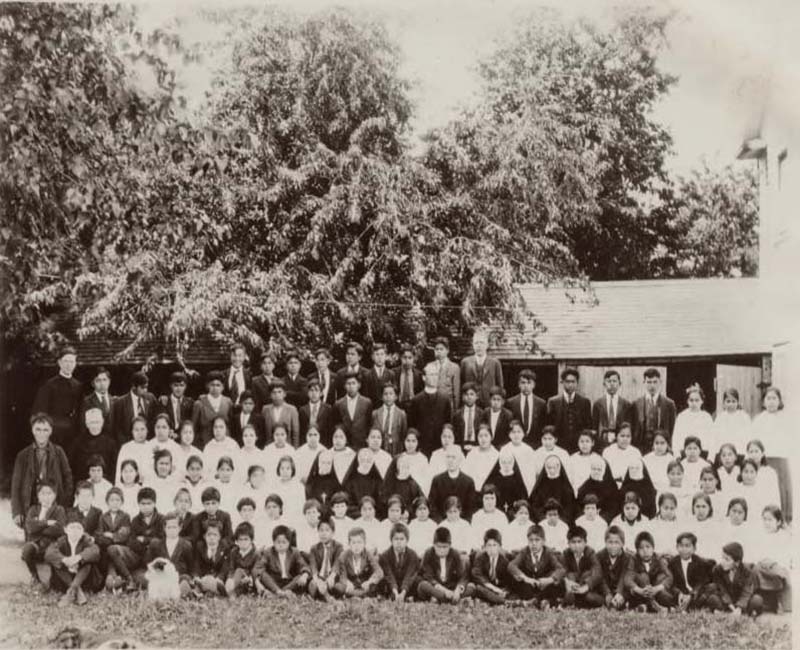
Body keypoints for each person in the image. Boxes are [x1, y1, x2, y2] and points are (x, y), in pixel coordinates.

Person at [12, 413, 73, 527]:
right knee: (33, 539)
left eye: (45, 430)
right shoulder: (23, 455)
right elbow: (16, 485)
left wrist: (65, 505)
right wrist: (17, 511)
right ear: (32, 430)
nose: (41, 433)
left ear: (51, 431)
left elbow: (68, 478)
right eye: (38, 429)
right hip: (31, 505)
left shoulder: (59, 452)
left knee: (53, 537)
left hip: (54, 504)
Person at [106, 487, 164, 591]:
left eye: (149, 503)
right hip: (137, 556)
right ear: (138, 504)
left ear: (154, 503)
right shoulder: (135, 520)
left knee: (145, 580)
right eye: (143, 504)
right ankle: (128, 578)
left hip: (152, 560)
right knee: (112, 549)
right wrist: (141, 544)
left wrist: (145, 540)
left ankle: (132, 579)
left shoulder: (161, 519)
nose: (146, 507)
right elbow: (131, 542)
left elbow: (162, 540)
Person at [44, 514, 102, 606]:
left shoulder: (85, 540)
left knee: (88, 563)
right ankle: (77, 590)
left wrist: (78, 558)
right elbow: (49, 553)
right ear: (65, 530)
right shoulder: (61, 541)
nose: (75, 531)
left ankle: (70, 592)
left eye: (78, 528)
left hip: (84, 579)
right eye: (72, 527)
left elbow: (95, 551)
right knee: (57, 563)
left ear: (83, 531)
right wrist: (65, 560)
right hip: (64, 579)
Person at [751, 387, 791, 518]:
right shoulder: (759, 420)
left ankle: (784, 516)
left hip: (781, 457)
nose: (771, 402)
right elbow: (754, 440)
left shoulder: (786, 418)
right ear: (763, 402)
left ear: (779, 401)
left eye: (774, 398)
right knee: (766, 485)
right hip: (765, 458)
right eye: (768, 398)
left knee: (782, 486)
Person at [32, 347, 82, 449]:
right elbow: (41, 410)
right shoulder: (50, 385)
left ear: (75, 364)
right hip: (54, 432)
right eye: (66, 361)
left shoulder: (78, 385)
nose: (69, 365)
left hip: (72, 433)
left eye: (72, 361)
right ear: (59, 362)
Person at [21, 481, 66, 588]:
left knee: (52, 553)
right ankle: (35, 576)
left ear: (54, 496)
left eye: (49, 493)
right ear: (38, 496)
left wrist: (38, 527)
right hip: (36, 544)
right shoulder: (33, 509)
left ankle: (53, 579)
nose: (46, 497)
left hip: (51, 544)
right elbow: (29, 528)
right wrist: (47, 523)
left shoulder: (59, 510)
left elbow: (59, 529)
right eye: (43, 494)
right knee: (27, 549)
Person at [508, 523, 564, 608]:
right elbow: (511, 565)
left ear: (543, 541)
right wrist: (526, 578)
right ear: (528, 541)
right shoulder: (525, 551)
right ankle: (541, 601)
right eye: (531, 540)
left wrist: (549, 579)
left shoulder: (548, 552)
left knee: (558, 582)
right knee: (516, 580)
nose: (534, 543)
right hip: (530, 584)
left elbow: (561, 569)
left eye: (537, 540)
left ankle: (535, 601)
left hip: (543, 584)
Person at [752, 505, 793, 613]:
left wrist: (773, 563)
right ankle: (758, 601)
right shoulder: (760, 535)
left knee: (777, 573)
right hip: (762, 566)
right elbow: (755, 553)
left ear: (778, 522)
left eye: (770, 520)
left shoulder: (784, 536)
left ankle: (778, 601)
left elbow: (786, 556)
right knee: (755, 570)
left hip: (777, 565)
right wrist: (762, 561)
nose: (766, 523)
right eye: (764, 519)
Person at [417, 526, 473, 603]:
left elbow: (462, 576)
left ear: (450, 545)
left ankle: (441, 599)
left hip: (451, 586)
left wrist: (458, 590)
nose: (442, 550)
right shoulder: (428, 553)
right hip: (436, 586)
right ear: (434, 545)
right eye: (439, 547)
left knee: (471, 586)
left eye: (445, 547)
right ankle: (451, 599)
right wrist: (444, 591)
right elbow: (428, 577)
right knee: (422, 585)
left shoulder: (455, 554)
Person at [146, 512, 195, 599]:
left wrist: (191, 577)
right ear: (164, 528)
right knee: (151, 581)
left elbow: (191, 566)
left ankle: (183, 592)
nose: (172, 530)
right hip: (162, 578)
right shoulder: (156, 544)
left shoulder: (186, 545)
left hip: (179, 577)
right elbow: (149, 563)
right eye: (169, 527)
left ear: (180, 528)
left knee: (185, 579)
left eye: (174, 527)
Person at [408, 363, 453, 456]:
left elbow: (448, 422)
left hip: (440, 446)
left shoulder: (445, 399)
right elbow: (412, 424)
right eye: (431, 375)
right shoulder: (416, 400)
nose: (434, 377)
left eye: (436, 375)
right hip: (422, 446)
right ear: (424, 377)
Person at [624, 530, 674, 612]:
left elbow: (669, 576)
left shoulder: (657, 559)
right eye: (641, 548)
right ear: (637, 550)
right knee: (643, 576)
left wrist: (656, 588)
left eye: (648, 547)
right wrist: (639, 590)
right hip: (641, 592)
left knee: (663, 589)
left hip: (655, 590)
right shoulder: (634, 559)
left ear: (653, 548)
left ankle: (648, 607)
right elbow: (627, 578)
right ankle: (654, 605)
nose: (645, 551)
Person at [667, 531, 718, 612]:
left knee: (710, 589)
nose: (684, 549)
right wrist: (679, 594)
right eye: (681, 546)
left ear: (694, 549)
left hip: (695, 592)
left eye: (687, 546)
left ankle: (693, 607)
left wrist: (692, 594)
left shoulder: (699, 562)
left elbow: (701, 581)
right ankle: (681, 607)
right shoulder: (673, 563)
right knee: (667, 592)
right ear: (677, 547)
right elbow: (672, 583)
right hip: (681, 593)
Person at [546, 368, 592, 454]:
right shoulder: (553, 402)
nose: (570, 384)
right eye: (567, 382)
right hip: (559, 445)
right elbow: (550, 425)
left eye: (573, 382)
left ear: (577, 383)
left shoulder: (585, 402)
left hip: (579, 446)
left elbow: (588, 426)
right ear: (562, 382)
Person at [713, 541, 763, 617]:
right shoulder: (718, 569)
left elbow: (747, 591)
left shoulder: (747, 571)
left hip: (742, 599)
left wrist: (739, 608)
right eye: (722, 557)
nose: (723, 562)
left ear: (737, 562)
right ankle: (727, 610)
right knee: (712, 598)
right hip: (727, 599)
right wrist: (730, 605)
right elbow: (722, 589)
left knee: (757, 600)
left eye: (727, 559)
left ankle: (744, 611)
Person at [632, 368, 676, 452]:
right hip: (641, 447)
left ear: (660, 382)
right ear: (644, 383)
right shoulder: (636, 404)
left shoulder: (669, 404)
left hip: (661, 446)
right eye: (649, 382)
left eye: (655, 382)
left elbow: (672, 428)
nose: (652, 386)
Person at [332, 527, 383, 598]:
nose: (357, 546)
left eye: (359, 542)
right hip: (351, 584)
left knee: (374, 586)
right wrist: (347, 583)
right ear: (349, 544)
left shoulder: (368, 554)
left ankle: (355, 595)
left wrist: (369, 582)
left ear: (364, 543)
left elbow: (379, 571)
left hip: (364, 584)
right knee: (338, 587)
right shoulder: (344, 555)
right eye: (353, 542)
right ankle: (358, 595)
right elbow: (342, 574)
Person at [428, 448, 477, 522]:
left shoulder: (468, 481)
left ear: (460, 460)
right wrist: (440, 522)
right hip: (441, 523)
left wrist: (463, 523)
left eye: (454, 457)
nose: (450, 460)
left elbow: (470, 508)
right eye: (448, 457)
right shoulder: (437, 480)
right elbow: (432, 504)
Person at [561, 525, 604, 608]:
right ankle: (572, 600)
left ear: (585, 542)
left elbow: (598, 572)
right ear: (568, 544)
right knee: (570, 575)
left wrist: (586, 586)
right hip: (572, 587)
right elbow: (562, 571)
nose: (577, 545)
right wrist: (567, 582)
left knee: (590, 597)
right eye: (573, 542)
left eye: (579, 541)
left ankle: (576, 602)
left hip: (587, 588)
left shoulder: (590, 552)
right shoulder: (566, 554)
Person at [110, 371, 157, 446]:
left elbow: (155, 420)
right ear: (134, 386)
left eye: (146, 387)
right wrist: (125, 445)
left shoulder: (151, 398)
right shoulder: (120, 403)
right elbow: (117, 429)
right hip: (128, 443)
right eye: (142, 388)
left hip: (148, 443)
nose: (145, 390)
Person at [460, 330, 503, 408]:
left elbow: (500, 386)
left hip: (489, 403)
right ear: (473, 345)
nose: (479, 345)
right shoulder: (465, 362)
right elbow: (462, 385)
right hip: (471, 403)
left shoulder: (495, 363)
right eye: (476, 343)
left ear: (487, 345)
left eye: (481, 343)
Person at [379, 522, 421, 602]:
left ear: (407, 540)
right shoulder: (385, 555)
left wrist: (403, 592)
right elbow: (389, 575)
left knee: (418, 579)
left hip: (407, 584)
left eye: (402, 539)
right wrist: (395, 591)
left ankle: (407, 596)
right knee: (382, 579)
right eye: (396, 539)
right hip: (392, 584)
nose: (399, 542)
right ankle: (391, 595)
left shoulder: (412, 555)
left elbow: (410, 574)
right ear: (391, 540)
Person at [95, 488, 131, 581]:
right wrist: (112, 536)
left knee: (112, 551)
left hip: (120, 548)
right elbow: (99, 534)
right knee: (107, 551)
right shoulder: (103, 517)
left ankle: (112, 577)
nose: (115, 503)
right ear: (107, 502)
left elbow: (124, 534)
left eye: (117, 500)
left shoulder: (125, 516)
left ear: (122, 502)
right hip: (106, 548)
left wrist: (111, 535)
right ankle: (113, 578)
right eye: (112, 500)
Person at [708, 388, 752, 461]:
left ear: (738, 402)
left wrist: (747, 455)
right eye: (728, 401)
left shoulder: (744, 417)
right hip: (724, 454)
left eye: (733, 401)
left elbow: (749, 436)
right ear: (724, 403)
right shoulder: (720, 418)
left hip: (740, 453)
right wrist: (711, 456)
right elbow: (714, 438)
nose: (731, 404)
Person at [333, 372, 373, 450]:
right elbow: (337, 424)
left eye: (353, 383)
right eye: (348, 383)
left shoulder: (367, 402)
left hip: (362, 444)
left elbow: (369, 424)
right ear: (344, 386)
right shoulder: (338, 404)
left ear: (359, 385)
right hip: (345, 445)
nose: (351, 386)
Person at [470, 528, 511, 605]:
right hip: (486, 587)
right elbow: (477, 575)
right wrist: (494, 589)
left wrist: (504, 591)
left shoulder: (504, 561)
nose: (491, 549)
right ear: (484, 547)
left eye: (494, 545)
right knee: (478, 588)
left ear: (500, 547)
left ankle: (494, 600)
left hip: (499, 588)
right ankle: (505, 602)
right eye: (489, 545)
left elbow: (508, 580)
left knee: (509, 592)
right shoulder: (480, 558)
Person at [595, 525, 632, 610]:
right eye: (610, 542)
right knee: (591, 596)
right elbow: (600, 577)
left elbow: (624, 576)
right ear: (605, 542)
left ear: (622, 543)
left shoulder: (627, 558)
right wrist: (607, 593)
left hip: (621, 589)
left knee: (630, 591)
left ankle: (622, 602)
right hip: (605, 589)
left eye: (616, 542)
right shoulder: (599, 556)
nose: (613, 546)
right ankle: (609, 603)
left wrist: (619, 593)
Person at [506, 369, 547, 447]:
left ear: (534, 385)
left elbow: (543, 425)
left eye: (529, 383)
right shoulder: (510, 402)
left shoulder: (541, 403)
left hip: (535, 444)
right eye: (523, 382)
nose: (526, 386)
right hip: (516, 444)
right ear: (519, 384)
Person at [530, 455, 575, 523]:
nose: (552, 470)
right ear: (545, 468)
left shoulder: (565, 486)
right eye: (549, 468)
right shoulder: (541, 485)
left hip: (562, 521)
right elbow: (535, 506)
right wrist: (544, 519)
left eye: (554, 467)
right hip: (543, 521)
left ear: (559, 467)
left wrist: (560, 520)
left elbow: (569, 507)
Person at [591, 370, 631, 448]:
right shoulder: (598, 404)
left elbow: (628, 426)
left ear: (619, 384)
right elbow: (594, 427)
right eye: (609, 381)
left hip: (620, 442)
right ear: (604, 384)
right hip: (602, 442)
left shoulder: (626, 404)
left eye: (614, 381)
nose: (612, 384)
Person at [672, 384, 715, 457]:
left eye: (697, 400)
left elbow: (712, 439)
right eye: (691, 400)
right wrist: (677, 455)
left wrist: (710, 458)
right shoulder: (682, 416)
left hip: (703, 453)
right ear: (687, 401)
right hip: (685, 453)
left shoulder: (706, 417)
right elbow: (676, 438)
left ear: (702, 401)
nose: (694, 403)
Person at [192, 371, 233, 445]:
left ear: (223, 387)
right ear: (207, 386)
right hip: (205, 442)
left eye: (218, 385)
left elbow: (231, 424)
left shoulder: (228, 402)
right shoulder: (199, 403)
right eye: (212, 385)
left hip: (225, 443)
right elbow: (194, 427)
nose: (215, 388)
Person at [307, 517, 343, 601]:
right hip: (319, 577)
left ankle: (324, 594)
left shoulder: (338, 547)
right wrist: (317, 580)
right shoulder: (314, 548)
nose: (324, 533)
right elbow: (313, 566)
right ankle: (326, 596)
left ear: (333, 533)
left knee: (339, 587)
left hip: (332, 577)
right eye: (321, 530)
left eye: (327, 530)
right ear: (318, 532)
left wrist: (331, 577)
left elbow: (337, 564)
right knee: (313, 585)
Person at [576, 459, 620, 523]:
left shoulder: (612, 486)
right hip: (586, 519)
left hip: (605, 520)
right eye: (594, 469)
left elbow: (613, 508)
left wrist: (601, 518)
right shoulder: (585, 487)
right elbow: (579, 507)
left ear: (604, 471)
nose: (596, 472)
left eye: (599, 469)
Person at [223, 522, 260, 597]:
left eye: (246, 539)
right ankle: (231, 590)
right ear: (236, 541)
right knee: (236, 572)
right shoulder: (234, 552)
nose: (243, 542)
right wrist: (230, 578)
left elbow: (255, 571)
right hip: (235, 579)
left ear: (251, 540)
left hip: (248, 581)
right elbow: (231, 569)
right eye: (240, 540)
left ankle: (230, 591)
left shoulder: (256, 554)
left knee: (239, 571)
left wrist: (249, 578)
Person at [192, 521, 228, 597]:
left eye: (215, 535)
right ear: (204, 536)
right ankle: (199, 592)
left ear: (219, 536)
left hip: (218, 579)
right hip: (203, 578)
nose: (212, 537)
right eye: (209, 535)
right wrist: (197, 576)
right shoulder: (200, 547)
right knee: (200, 583)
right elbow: (196, 565)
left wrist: (219, 578)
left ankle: (212, 592)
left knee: (215, 585)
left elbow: (225, 568)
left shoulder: (224, 547)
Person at [501, 421, 537, 496]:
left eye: (519, 432)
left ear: (523, 434)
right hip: (509, 484)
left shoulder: (528, 450)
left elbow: (531, 472)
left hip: (525, 483)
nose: (516, 435)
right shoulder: (505, 449)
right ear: (509, 434)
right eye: (513, 432)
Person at [261, 379, 301, 448]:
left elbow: (295, 434)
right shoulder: (265, 409)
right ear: (270, 395)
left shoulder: (292, 409)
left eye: (279, 392)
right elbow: (263, 432)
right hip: (270, 448)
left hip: (287, 448)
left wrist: (295, 450)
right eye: (274, 392)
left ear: (284, 394)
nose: (277, 395)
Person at [370, 384, 407, 457]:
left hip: (396, 450)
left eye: (391, 394)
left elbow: (403, 435)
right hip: (379, 449)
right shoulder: (375, 414)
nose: (388, 397)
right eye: (385, 394)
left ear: (396, 396)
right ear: (381, 397)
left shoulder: (401, 414)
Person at [470, 484, 510, 551]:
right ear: (482, 499)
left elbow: (506, 538)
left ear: (496, 499)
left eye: (492, 498)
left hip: (498, 550)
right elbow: (474, 539)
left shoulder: (501, 517)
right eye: (486, 498)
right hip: (482, 550)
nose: (489, 502)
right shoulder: (477, 517)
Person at [602, 422, 642, 487]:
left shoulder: (636, 452)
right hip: (611, 485)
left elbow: (637, 475)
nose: (625, 439)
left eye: (628, 436)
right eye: (622, 436)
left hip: (629, 485)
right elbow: (605, 474)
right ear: (616, 436)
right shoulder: (608, 451)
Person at [461, 424, 499, 493]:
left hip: (489, 493)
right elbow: (465, 473)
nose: (483, 439)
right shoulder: (472, 453)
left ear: (491, 437)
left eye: (486, 436)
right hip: (473, 491)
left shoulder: (496, 455)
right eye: (480, 436)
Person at [203, 417, 241, 483]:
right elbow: (205, 470)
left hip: (231, 483)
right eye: (216, 427)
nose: (218, 430)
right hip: (213, 482)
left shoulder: (233, 445)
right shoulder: (208, 447)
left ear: (226, 429)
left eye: (221, 427)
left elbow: (238, 468)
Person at [79, 366, 113, 438]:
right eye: (98, 380)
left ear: (109, 381)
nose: (102, 384)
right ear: (93, 383)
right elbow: (83, 427)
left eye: (104, 380)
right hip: (94, 442)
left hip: (113, 443)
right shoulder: (87, 402)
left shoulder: (115, 401)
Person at [568, 430, 604, 498]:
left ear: (592, 443)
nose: (584, 444)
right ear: (578, 443)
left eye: (587, 441)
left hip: (592, 494)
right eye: (582, 441)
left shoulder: (598, 459)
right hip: (575, 494)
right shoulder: (572, 459)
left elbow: (599, 481)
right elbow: (570, 479)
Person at [299, 379, 334, 447]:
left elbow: (330, 430)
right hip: (307, 444)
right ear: (308, 393)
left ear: (321, 393)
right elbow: (302, 431)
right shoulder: (302, 410)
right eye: (311, 390)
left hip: (323, 444)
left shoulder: (328, 408)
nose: (314, 393)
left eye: (316, 390)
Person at [431, 337, 460, 411]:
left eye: (441, 349)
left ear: (447, 351)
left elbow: (456, 392)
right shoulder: (430, 366)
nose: (439, 351)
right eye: (437, 349)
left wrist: (455, 409)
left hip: (448, 406)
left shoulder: (454, 368)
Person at [650, 493, 681, 557]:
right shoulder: (652, 524)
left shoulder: (680, 525)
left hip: (675, 557)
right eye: (666, 508)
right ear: (659, 507)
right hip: (657, 557)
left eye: (672, 508)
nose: (669, 511)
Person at [396, 344, 424, 411]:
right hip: (398, 406)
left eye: (410, 358)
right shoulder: (394, 373)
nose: (407, 361)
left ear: (414, 358)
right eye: (404, 357)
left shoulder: (419, 375)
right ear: (400, 358)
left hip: (413, 407)